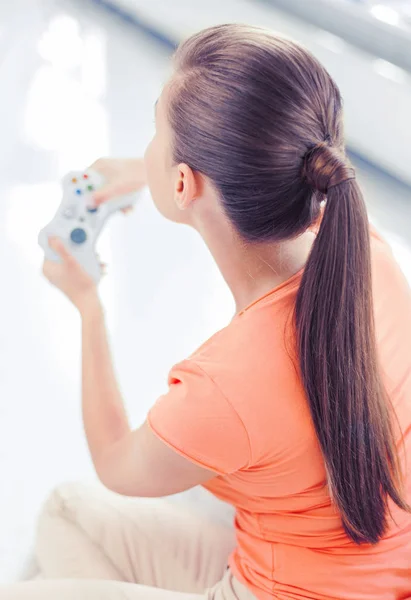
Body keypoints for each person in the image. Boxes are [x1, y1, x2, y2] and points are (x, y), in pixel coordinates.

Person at [3, 23, 411, 600]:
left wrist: (87, 305)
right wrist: (146, 174)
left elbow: (118, 465)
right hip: (377, 572)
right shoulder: (364, 248)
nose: (146, 146)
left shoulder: (224, 387)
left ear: (182, 183)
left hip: (279, 589)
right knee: (64, 515)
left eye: (153, 133)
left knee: (44, 548)